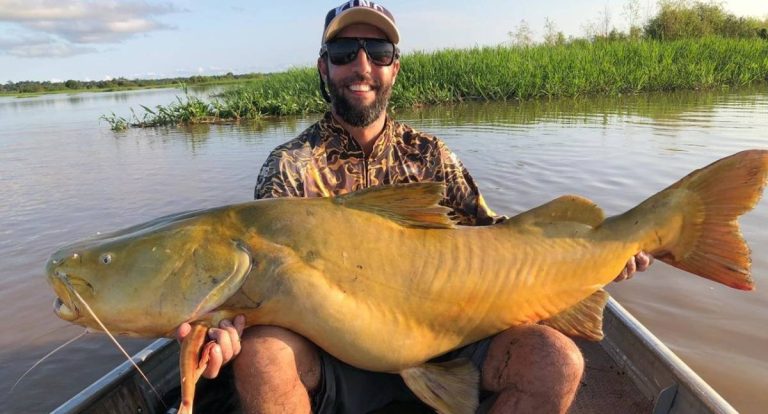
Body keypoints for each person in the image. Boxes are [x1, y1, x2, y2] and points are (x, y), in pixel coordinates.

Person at [178, 1, 653, 412]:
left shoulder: (430, 155)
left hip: (447, 341)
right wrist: (223, 328)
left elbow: (498, 237)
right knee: (262, 356)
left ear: (395, 68)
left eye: (378, 52)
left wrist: (599, 253)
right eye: (344, 53)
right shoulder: (289, 166)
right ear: (323, 67)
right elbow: (259, 283)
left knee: (556, 360)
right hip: (332, 355)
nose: (362, 65)